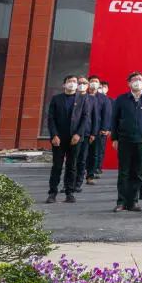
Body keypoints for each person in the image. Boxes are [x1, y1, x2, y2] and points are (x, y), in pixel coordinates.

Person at [111, 72, 142, 212]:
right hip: (124, 140)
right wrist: (114, 138)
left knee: (137, 172)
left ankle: (133, 202)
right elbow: (114, 119)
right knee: (124, 172)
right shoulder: (121, 99)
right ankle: (121, 202)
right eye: (134, 79)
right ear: (129, 83)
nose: (137, 82)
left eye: (139, 79)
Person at [45, 75, 89, 203]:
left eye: (74, 81)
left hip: (75, 138)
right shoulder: (56, 99)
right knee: (57, 166)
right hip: (59, 138)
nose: (72, 83)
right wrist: (54, 135)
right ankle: (52, 193)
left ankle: (69, 192)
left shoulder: (82, 99)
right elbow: (51, 118)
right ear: (64, 84)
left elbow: (85, 118)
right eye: (70, 81)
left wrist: (78, 134)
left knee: (72, 165)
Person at [70, 76, 95, 193]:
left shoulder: (92, 99)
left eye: (84, 83)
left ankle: (78, 183)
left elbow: (95, 117)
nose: (82, 85)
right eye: (79, 83)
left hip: (85, 133)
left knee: (82, 159)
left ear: (88, 85)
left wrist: (93, 133)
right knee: (72, 160)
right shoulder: (72, 97)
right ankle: (69, 183)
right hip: (72, 133)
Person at [84, 76, 105, 185]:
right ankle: (79, 174)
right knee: (82, 154)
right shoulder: (82, 95)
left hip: (97, 130)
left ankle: (90, 175)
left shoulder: (102, 98)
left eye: (96, 81)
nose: (93, 83)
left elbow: (106, 114)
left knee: (94, 154)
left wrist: (104, 128)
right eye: (92, 81)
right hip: (83, 130)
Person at [92, 81, 113, 178]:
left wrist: (109, 129)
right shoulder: (93, 98)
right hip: (93, 128)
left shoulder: (110, 100)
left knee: (100, 150)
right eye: (100, 86)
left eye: (104, 87)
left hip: (103, 129)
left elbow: (111, 116)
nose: (102, 88)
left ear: (107, 89)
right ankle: (90, 168)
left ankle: (97, 167)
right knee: (92, 151)